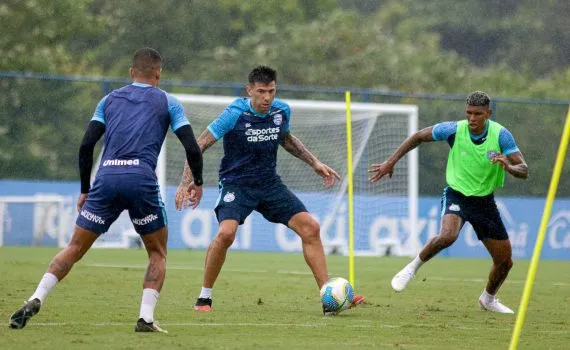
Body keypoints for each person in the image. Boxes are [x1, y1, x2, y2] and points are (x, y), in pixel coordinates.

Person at [9, 48, 204, 332]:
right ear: (158, 73)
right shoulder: (168, 102)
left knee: (74, 247)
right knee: (157, 252)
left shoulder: (109, 100)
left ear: (131, 72)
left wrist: (85, 189)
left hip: (107, 176)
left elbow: (87, 145)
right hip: (140, 179)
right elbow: (191, 147)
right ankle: (145, 318)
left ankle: (36, 296)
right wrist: (196, 182)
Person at [175, 65, 364, 314]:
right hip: (237, 184)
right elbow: (198, 145)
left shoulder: (281, 111)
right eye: (261, 91)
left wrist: (315, 162)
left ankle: (328, 299)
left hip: (269, 184)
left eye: (271, 91)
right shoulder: (234, 114)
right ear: (249, 90)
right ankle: (204, 297)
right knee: (226, 234)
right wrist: (185, 181)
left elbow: (285, 138)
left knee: (311, 228)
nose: (267, 98)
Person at [369, 91, 528, 314]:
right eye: (469, 113)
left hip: (484, 202)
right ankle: (412, 268)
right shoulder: (454, 129)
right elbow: (417, 136)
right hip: (457, 194)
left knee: (505, 262)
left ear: (488, 114)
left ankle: (488, 299)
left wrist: (509, 167)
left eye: (478, 114)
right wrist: (390, 161)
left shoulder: (501, 135)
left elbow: (524, 170)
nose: (472, 118)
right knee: (448, 236)